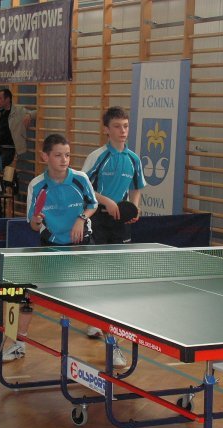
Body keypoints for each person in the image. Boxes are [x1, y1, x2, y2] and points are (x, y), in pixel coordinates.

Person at [2, 134, 98, 362]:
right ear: (45, 156)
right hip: (51, 245)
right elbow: (33, 225)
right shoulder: (37, 185)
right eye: (58, 155)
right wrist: (37, 220)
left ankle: (109, 343)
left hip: (80, 243)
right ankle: (18, 343)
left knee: (96, 291)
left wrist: (81, 218)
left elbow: (92, 204)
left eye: (67, 155)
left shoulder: (80, 179)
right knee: (27, 295)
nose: (64, 160)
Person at [81, 106, 146, 362]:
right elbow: (84, 186)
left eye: (126, 126)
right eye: (117, 126)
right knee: (97, 272)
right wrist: (106, 201)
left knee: (117, 276)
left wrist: (135, 206)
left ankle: (110, 334)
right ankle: (97, 322)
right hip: (98, 217)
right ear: (106, 129)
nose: (123, 131)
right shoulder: (98, 156)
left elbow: (137, 187)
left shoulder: (133, 159)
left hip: (121, 221)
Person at [0, 88, 36, 168]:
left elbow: (36, 112)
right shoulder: (0, 112)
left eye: (0, 98)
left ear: (7, 99)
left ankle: (10, 175)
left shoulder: (18, 110)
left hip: (10, 149)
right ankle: (12, 175)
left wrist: (29, 115)